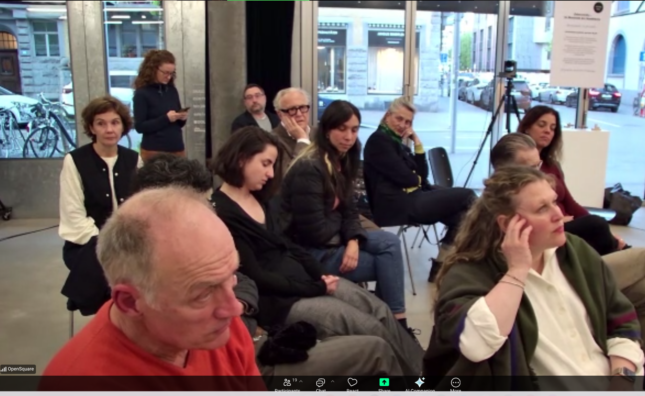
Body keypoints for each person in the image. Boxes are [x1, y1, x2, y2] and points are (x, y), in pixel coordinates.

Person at [210, 131, 421, 376]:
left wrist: (320, 274)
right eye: (265, 164)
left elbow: (288, 245)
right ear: (241, 159)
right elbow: (257, 276)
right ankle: (415, 383)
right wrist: (316, 287)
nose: (270, 173)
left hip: (304, 281)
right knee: (369, 327)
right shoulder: (221, 212)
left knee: (380, 311)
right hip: (281, 302)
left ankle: (424, 373)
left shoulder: (261, 198)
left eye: (272, 165)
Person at [491, 133, 645, 374]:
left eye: (537, 165)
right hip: (559, 263)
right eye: (529, 168)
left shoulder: (550, 175)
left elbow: (573, 207)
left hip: (578, 255)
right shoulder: (503, 219)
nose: (547, 132)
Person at [425, 167, 644, 391]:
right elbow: (476, 346)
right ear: (507, 224)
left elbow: (621, 323)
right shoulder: (473, 273)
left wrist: (622, 379)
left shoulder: (576, 251)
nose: (558, 214)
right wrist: (517, 270)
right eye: (542, 208)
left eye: (554, 202)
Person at [43, 188, 265, 391]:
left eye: (231, 276)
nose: (235, 308)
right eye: (203, 294)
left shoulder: (222, 328)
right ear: (130, 302)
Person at [278, 102, 411, 325]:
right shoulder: (309, 167)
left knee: (390, 243)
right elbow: (316, 232)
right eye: (342, 129)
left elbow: (349, 210)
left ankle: (393, 323)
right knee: (386, 263)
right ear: (327, 130)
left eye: (354, 129)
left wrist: (353, 239)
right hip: (310, 253)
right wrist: (349, 233)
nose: (349, 137)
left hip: (332, 241)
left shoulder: (342, 159)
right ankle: (397, 325)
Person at [363, 96, 477, 282]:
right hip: (399, 206)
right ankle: (487, 251)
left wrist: (417, 142)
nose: (403, 125)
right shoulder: (379, 141)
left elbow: (421, 175)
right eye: (399, 119)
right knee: (468, 195)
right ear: (387, 116)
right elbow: (407, 178)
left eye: (408, 122)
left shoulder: (395, 142)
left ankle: (439, 268)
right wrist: (415, 179)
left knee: (461, 217)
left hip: (414, 197)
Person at [59, 96, 142, 317]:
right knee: (107, 272)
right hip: (87, 242)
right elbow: (74, 216)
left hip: (126, 241)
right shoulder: (74, 161)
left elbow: (140, 207)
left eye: (115, 122)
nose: (109, 129)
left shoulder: (134, 159)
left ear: (123, 126)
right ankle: (106, 319)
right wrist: (108, 245)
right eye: (101, 123)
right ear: (91, 127)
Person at [516, 105, 625, 255]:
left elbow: (570, 203)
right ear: (527, 128)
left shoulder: (552, 165)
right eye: (541, 125)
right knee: (597, 226)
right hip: (549, 226)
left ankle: (618, 251)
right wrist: (559, 219)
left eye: (553, 128)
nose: (548, 131)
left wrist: (605, 231)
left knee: (598, 225)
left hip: (566, 221)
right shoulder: (519, 163)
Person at [271, 88, 380, 231]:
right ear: (280, 114)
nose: (299, 114)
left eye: (303, 108)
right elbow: (289, 179)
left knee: (380, 235)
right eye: (292, 110)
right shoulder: (272, 140)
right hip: (305, 214)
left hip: (337, 206)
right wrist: (302, 140)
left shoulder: (321, 133)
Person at [133, 49, 187, 162]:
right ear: (153, 70)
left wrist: (181, 117)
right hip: (154, 150)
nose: (168, 77)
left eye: (171, 73)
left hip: (177, 148)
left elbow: (177, 124)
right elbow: (140, 127)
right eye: (165, 73)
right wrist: (166, 118)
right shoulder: (142, 93)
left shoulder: (171, 90)